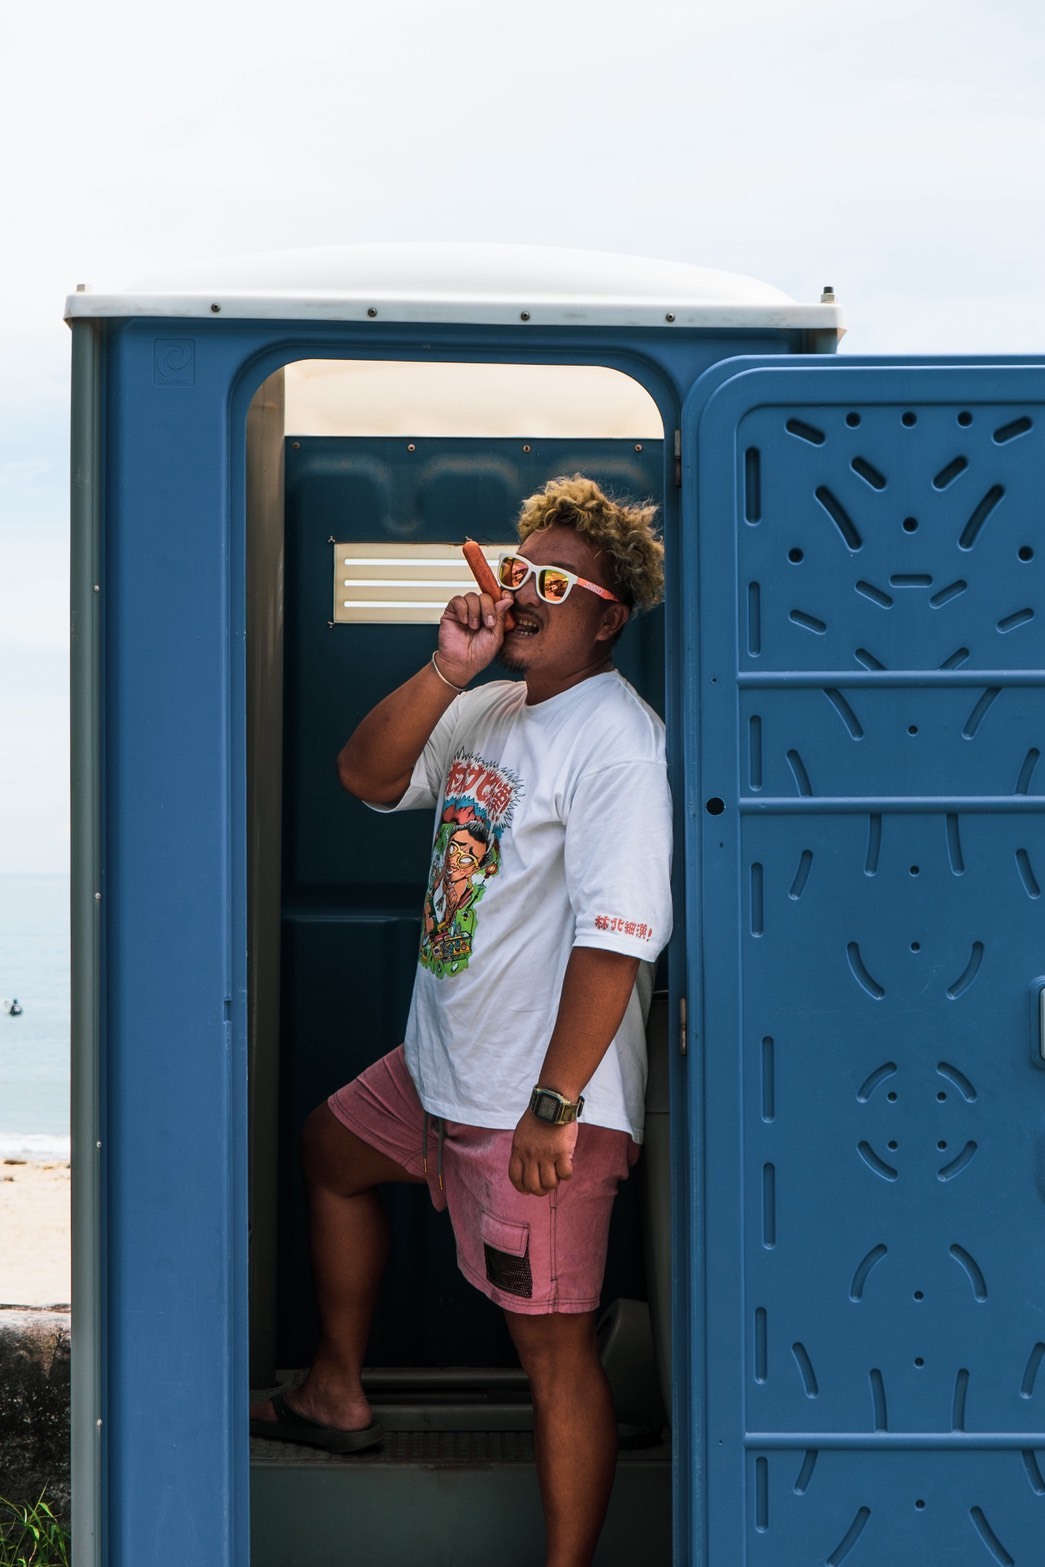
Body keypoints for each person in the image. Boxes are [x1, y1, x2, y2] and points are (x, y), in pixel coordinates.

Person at [251, 474, 673, 1567]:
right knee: (329, 1150)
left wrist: (554, 1106)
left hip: (537, 1103)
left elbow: (615, 939)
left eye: (553, 582)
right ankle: (334, 1390)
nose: (521, 592)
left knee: (553, 1356)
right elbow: (362, 773)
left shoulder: (617, 743)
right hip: (436, 1072)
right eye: (517, 570)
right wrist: (450, 666)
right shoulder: (488, 708)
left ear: (608, 617)